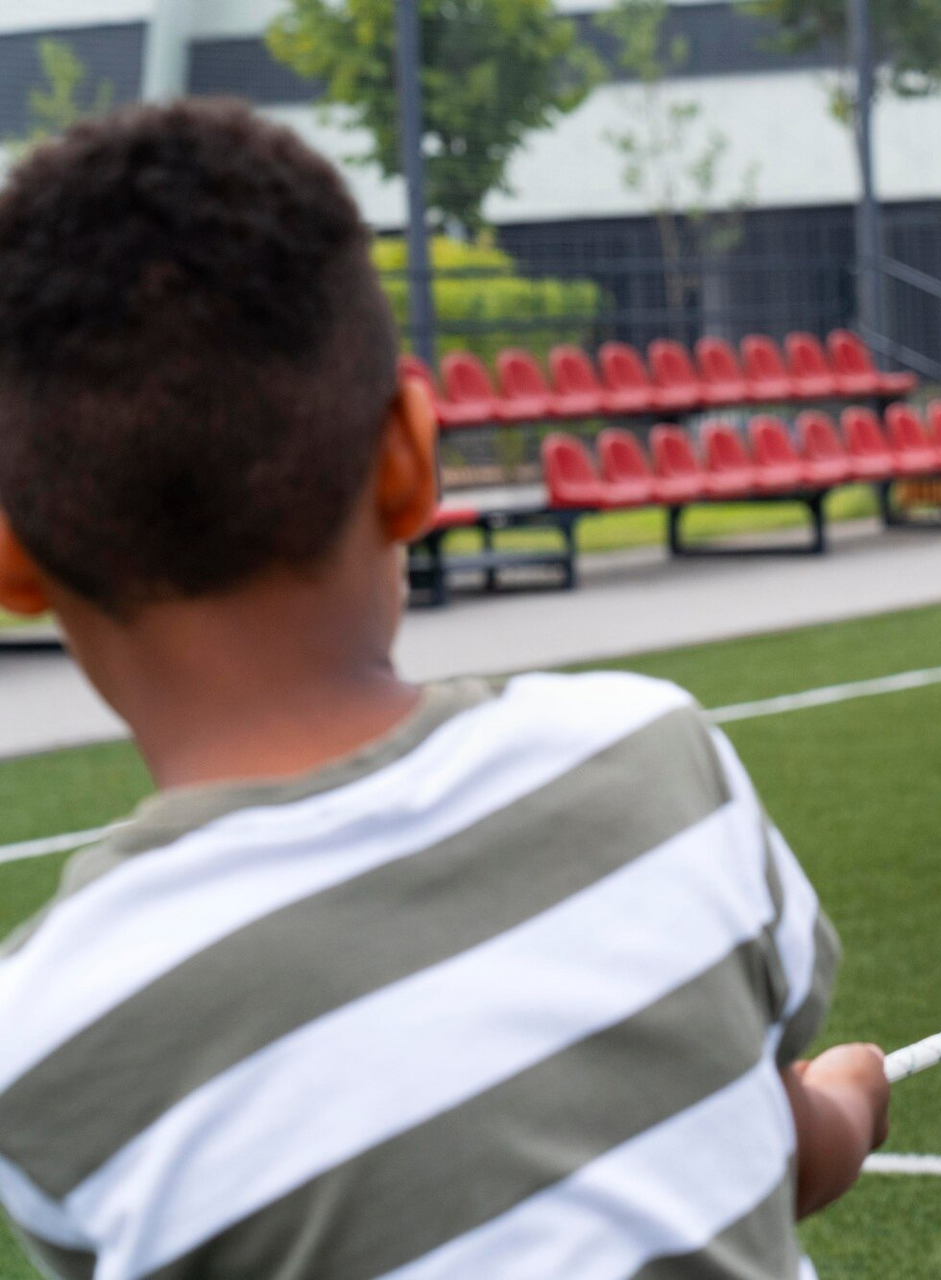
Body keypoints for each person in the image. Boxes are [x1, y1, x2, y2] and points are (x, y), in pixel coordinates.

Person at [0, 99, 886, 1279]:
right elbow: (772, 1142)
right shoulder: (655, 756)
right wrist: (854, 1104)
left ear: (13, 559)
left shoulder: (46, 1037)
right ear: (414, 458)